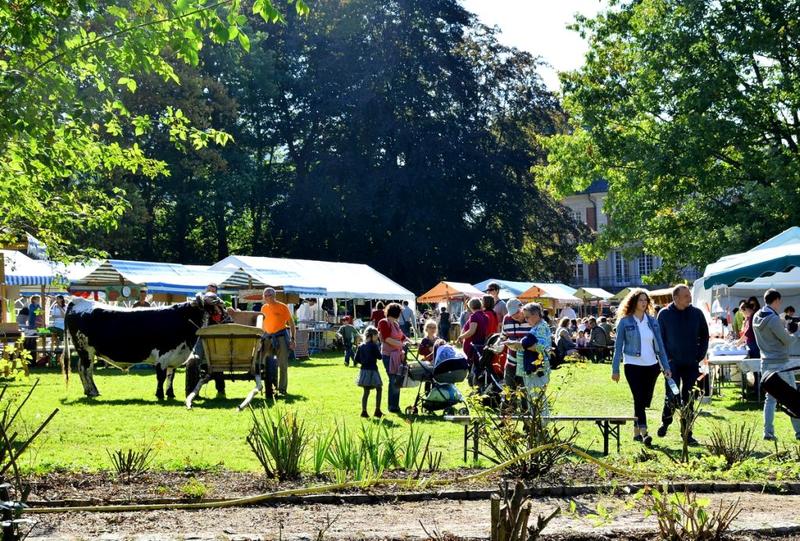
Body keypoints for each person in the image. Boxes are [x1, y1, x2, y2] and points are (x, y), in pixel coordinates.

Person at [611, 288, 672, 447]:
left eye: (646, 300)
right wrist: (615, 369)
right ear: (633, 302)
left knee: (644, 400)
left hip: (652, 366)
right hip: (632, 365)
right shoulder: (625, 321)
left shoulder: (652, 321)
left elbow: (660, 345)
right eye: (641, 300)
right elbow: (618, 347)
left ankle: (636, 432)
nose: (644, 303)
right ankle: (645, 433)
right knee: (638, 398)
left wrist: (666, 366)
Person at [655, 284, 709, 444]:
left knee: (689, 398)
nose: (690, 298)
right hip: (672, 365)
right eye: (686, 296)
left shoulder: (697, 314)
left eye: (689, 295)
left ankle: (687, 433)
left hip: (691, 364)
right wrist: (665, 362)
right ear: (676, 298)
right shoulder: (664, 315)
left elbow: (704, 336)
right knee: (672, 395)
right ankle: (666, 422)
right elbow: (659, 340)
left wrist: (698, 356)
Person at [753, 289, 800, 441]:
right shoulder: (773, 319)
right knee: (793, 398)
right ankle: (799, 432)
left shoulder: (756, 316)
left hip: (765, 361)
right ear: (777, 301)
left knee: (770, 399)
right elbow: (786, 340)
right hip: (781, 363)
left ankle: (768, 433)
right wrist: (796, 332)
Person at [506, 303, 551, 412]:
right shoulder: (537, 326)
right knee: (534, 399)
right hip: (533, 369)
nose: (526, 320)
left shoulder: (540, 327)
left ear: (536, 315)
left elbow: (540, 347)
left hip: (536, 369)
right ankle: (538, 425)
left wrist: (519, 345)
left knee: (537, 399)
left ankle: (541, 425)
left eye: (527, 317)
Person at [260, 287, 296, 396]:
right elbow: (262, 324)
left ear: (274, 296)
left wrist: (293, 339)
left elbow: (291, 324)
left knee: (283, 365)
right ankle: (270, 387)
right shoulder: (264, 308)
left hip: (281, 337)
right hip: (267, 338)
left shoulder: (282, 307)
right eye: (264, 295)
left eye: (268, 295)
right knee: (266, 364)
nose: (266, 297)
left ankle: (282, 390)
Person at [378, 302, 407, 413]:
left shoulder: (395, 324)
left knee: (398, 379)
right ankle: (392, 406)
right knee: (393, 379)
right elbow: (386, 339)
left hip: (398, 355)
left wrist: (413, 342)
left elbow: (403, 337)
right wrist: (401, 344)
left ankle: (395, 405)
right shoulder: (384, 322)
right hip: (388, 355)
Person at [500, 298, 530, 396]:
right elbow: (503, 336)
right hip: (511, 361)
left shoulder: (531, 318)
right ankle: (509, 411)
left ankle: (525, 410)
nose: (514, 316)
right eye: (512, 314)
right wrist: (499, 344)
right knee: (508, 392)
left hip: (527, 362)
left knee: (525, 394)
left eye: (517, 312)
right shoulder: (507, 318)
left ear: (522, 308)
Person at [354, 327, 383, 418]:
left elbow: (356, 359)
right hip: (373, 370)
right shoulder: (374, 345)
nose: (377, 338)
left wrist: (364, 362)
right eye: (376, 336)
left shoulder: (361, 346)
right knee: (379, 389)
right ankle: (377, 410)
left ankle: (364, 411)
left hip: (364, 370)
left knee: (366, 391)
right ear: (372, 336)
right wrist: (379, 347)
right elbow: (379, 357)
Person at [457, 297, 489, 365]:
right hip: (481, 343)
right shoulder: (485, 316)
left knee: (472, 364)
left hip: (472, 345)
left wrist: (461, 337)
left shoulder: (474, 316)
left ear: (470, 306)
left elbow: (472, 331)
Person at [49, 295, 67, 361]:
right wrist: (58, 315)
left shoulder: (65, 306)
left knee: (60, 331)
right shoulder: (54, 307)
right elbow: (53, 315)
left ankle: (60, 344)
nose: (57, 300)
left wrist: (59, 308)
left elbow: (64, 316)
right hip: (56, 324)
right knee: (50, 330)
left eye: (58, 299)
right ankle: (57, 346)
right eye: (56, 299)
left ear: (61, 299)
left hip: (62, 325)